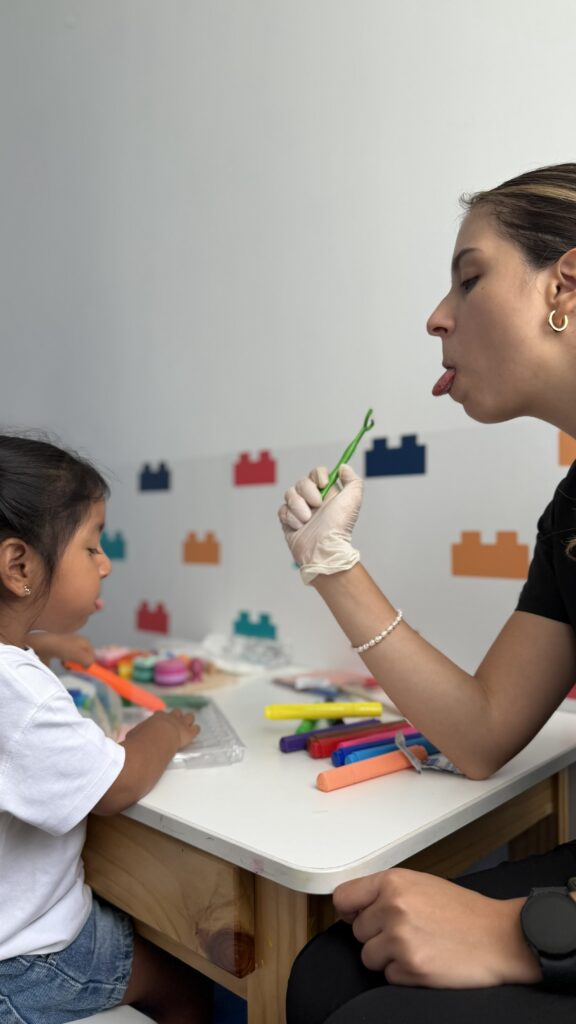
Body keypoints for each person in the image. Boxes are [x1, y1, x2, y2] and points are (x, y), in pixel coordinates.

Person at [278, 162, 576, 1023]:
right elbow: (481, 732)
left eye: (469, 279)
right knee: (330, 973)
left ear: (565, 286)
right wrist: (332, 565)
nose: (436, 317)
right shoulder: (571, 515)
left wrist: (525, 936)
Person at [0, 435, 212, 1024]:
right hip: (29, 962)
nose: (105, 563)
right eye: (91, 546)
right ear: (19, 567)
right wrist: (163, 730)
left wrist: (44, 643)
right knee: (191, 987)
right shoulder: (19, 692)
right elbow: (116, 786)